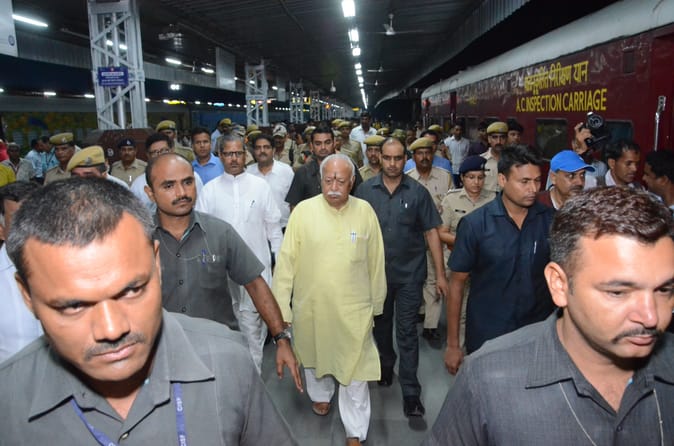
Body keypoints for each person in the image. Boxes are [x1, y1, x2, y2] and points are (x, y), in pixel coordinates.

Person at [1, 178, 298, 444]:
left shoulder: (228, 362)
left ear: (156, 264)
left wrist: (280, 336)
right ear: (27, 295)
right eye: (73, 306)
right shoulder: (8, 400)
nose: (112, 329)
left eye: (131, 291)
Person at [424, 186, 674, 445]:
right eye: (618, 292)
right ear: (559, 285)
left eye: (664, 290)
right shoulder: (487, 381)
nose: (650, 317)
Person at [144, 153, 302, 390]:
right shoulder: (137, 238)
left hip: (218, 356)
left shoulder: (219, 233)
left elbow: (255, 284)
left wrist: (281, 339)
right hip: (161, 357)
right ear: (150, 193)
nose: (181, 192)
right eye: (168, 186)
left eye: (187, 182)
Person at [272, 154, 386, 446]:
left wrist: (377, 304)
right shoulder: (303, 212)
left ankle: (355, 431)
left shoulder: (365, 211)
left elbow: (376, 262)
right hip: (313, 307)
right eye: (328, 180)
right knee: (315, 357)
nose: (334, 186)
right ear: (320, 180)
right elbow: (286, 264)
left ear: (352, 182)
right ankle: (321, 395)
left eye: (341, 180)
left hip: (354, 309)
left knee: (356, 371)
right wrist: (282, 310)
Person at [356, 138, 449, 418]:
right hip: (376, 277)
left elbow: (432, 233)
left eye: (398, 158)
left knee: (407, 331)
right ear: (379, 157)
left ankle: (411, 391)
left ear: (404, 158)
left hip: (410, 275)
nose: (392, 164)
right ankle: (386, 364)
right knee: (381, 328)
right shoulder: (365, 191)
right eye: (387, 158)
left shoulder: (418, 193)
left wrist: (440, 275)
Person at [445, 146, 555, 374]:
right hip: (489, 335)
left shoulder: (550, 221)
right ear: (503, 180)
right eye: (524, 181)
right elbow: (456, 284)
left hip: (537, 334)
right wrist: (453, 344)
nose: (533, 189)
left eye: (537, 181)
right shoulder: (476, 225)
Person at [196, 134, 282, 373]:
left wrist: (279, 265)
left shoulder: (260, 187)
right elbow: (201, 235)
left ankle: (253, 380)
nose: (234, 159)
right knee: (227, 332)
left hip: (256, 273)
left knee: (253, 333)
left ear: (246, 155)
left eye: (238, 153)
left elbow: (274, 230)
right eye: (228, 154)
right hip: (221, 276)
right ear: (220, 156)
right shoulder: (210, 190)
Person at [439, 156, 496, 347]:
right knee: (459, 311)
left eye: (480, 177)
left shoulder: (493, 199)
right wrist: (467, 243)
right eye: (471, 177)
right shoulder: (451, 199)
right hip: (458, 263)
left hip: (485, 265)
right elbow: (442, 232)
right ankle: (458, 349)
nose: (476, 182)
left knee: (484, 309)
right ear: (462, 178)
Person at [406, 137, 453, 342]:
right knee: (418, 279)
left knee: (435, 278)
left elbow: (450, 205)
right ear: (413, 156)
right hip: (414, 239)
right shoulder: (407, 179)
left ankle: (430, 326)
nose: (424, 157)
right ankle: (422, 311)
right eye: (420, 153)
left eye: (428, 153)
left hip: (437, 236)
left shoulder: (445, 177)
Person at [0, 181, 42, 362]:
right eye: (18, 221)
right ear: (1, 230)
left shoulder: (73, 269)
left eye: (37, 218)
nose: (30, 229)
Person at [285, 125, 362, 209]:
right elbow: (294, 206)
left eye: (327, 142)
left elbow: (360, 198)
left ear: (334, 143)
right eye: (318, 144)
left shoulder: (347, 167)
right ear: (311, 146)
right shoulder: (303, 172)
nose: (323, 147)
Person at [130, 133, 204, 211]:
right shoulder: (138, 184)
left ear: (172, 150)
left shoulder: (191, 176)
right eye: (155, 152)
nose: (160, 155)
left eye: (164, 150)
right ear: (148, 155)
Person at [247, 133, 294, 231]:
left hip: (283, 227)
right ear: (254, 151)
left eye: (266, 147)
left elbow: (293, 202)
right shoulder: (248, 173)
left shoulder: (286, 171)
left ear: (273, 150)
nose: (262, 151)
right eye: (258, 148)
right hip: (255, 229)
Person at [479, 121, 508, 193]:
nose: (499, 141)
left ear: (506, 139)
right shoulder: (480, 160)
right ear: (489, 139)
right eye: (495, 137)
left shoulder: (512, 161)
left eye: (502, 137)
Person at [444, 122, 470, 187]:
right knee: (453, 187)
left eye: (460, 130)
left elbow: (467, 155)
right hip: (452, 170)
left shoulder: (466, 142)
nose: (459, 132)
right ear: (453, 130)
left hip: (463, 170)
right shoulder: (447, 141)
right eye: (457, 130)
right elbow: (444, 154)